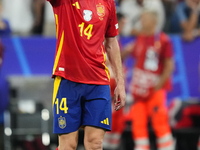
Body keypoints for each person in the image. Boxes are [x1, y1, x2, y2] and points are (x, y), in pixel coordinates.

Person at [47, 0, 126, 150]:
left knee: (95, 144)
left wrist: (120, 84)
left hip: (99, 82)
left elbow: (111, 42)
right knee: (67, 145)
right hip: (67, 80)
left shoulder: (108, 2)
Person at [122, 9, 174, 150]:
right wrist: (124, 52)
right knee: (138, 122)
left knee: (159, 121)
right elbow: (128, 56)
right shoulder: (140, 39)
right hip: (139, 91)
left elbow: (169, 66)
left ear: (154, 21)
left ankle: (167, 147)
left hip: (155, 89)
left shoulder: (164, 40)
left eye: (144, 19)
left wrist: (159, 85)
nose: (142, 22)